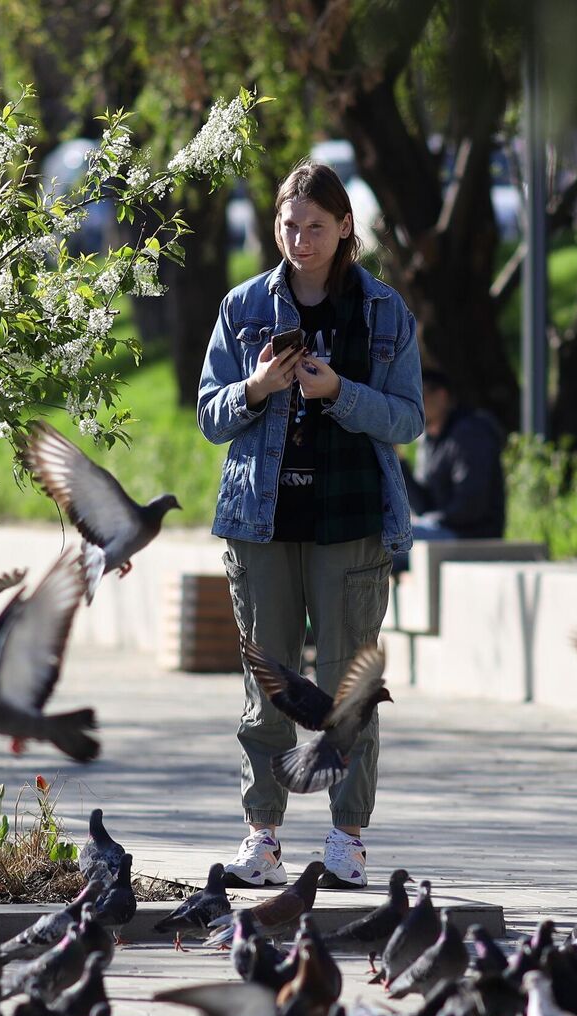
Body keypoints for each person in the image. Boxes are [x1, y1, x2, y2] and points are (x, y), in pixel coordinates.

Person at [196, 160, 425, 890]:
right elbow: (210, 414)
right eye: (289, 226)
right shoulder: (242, 307)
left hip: (351, 521)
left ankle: (346, 839)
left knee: (345, 687)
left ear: (346, 227)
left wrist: (341, 393)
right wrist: (258, 388)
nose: (301, 239)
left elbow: (409, 418)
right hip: (260, 522)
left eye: (316, 226)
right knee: (265, 686)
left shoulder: (383, 312)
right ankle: (261, 838)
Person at [404, 368, 505, 544]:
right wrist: (399, 462)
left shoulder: (470, 433)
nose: (411, 403)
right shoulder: (428, 440)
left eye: (417, 395)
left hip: (470, 535)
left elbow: (471, 505)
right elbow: (423, 506)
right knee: (384, 532)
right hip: (440, 529)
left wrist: (430, 520)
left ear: (441, 395)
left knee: (386, 539)